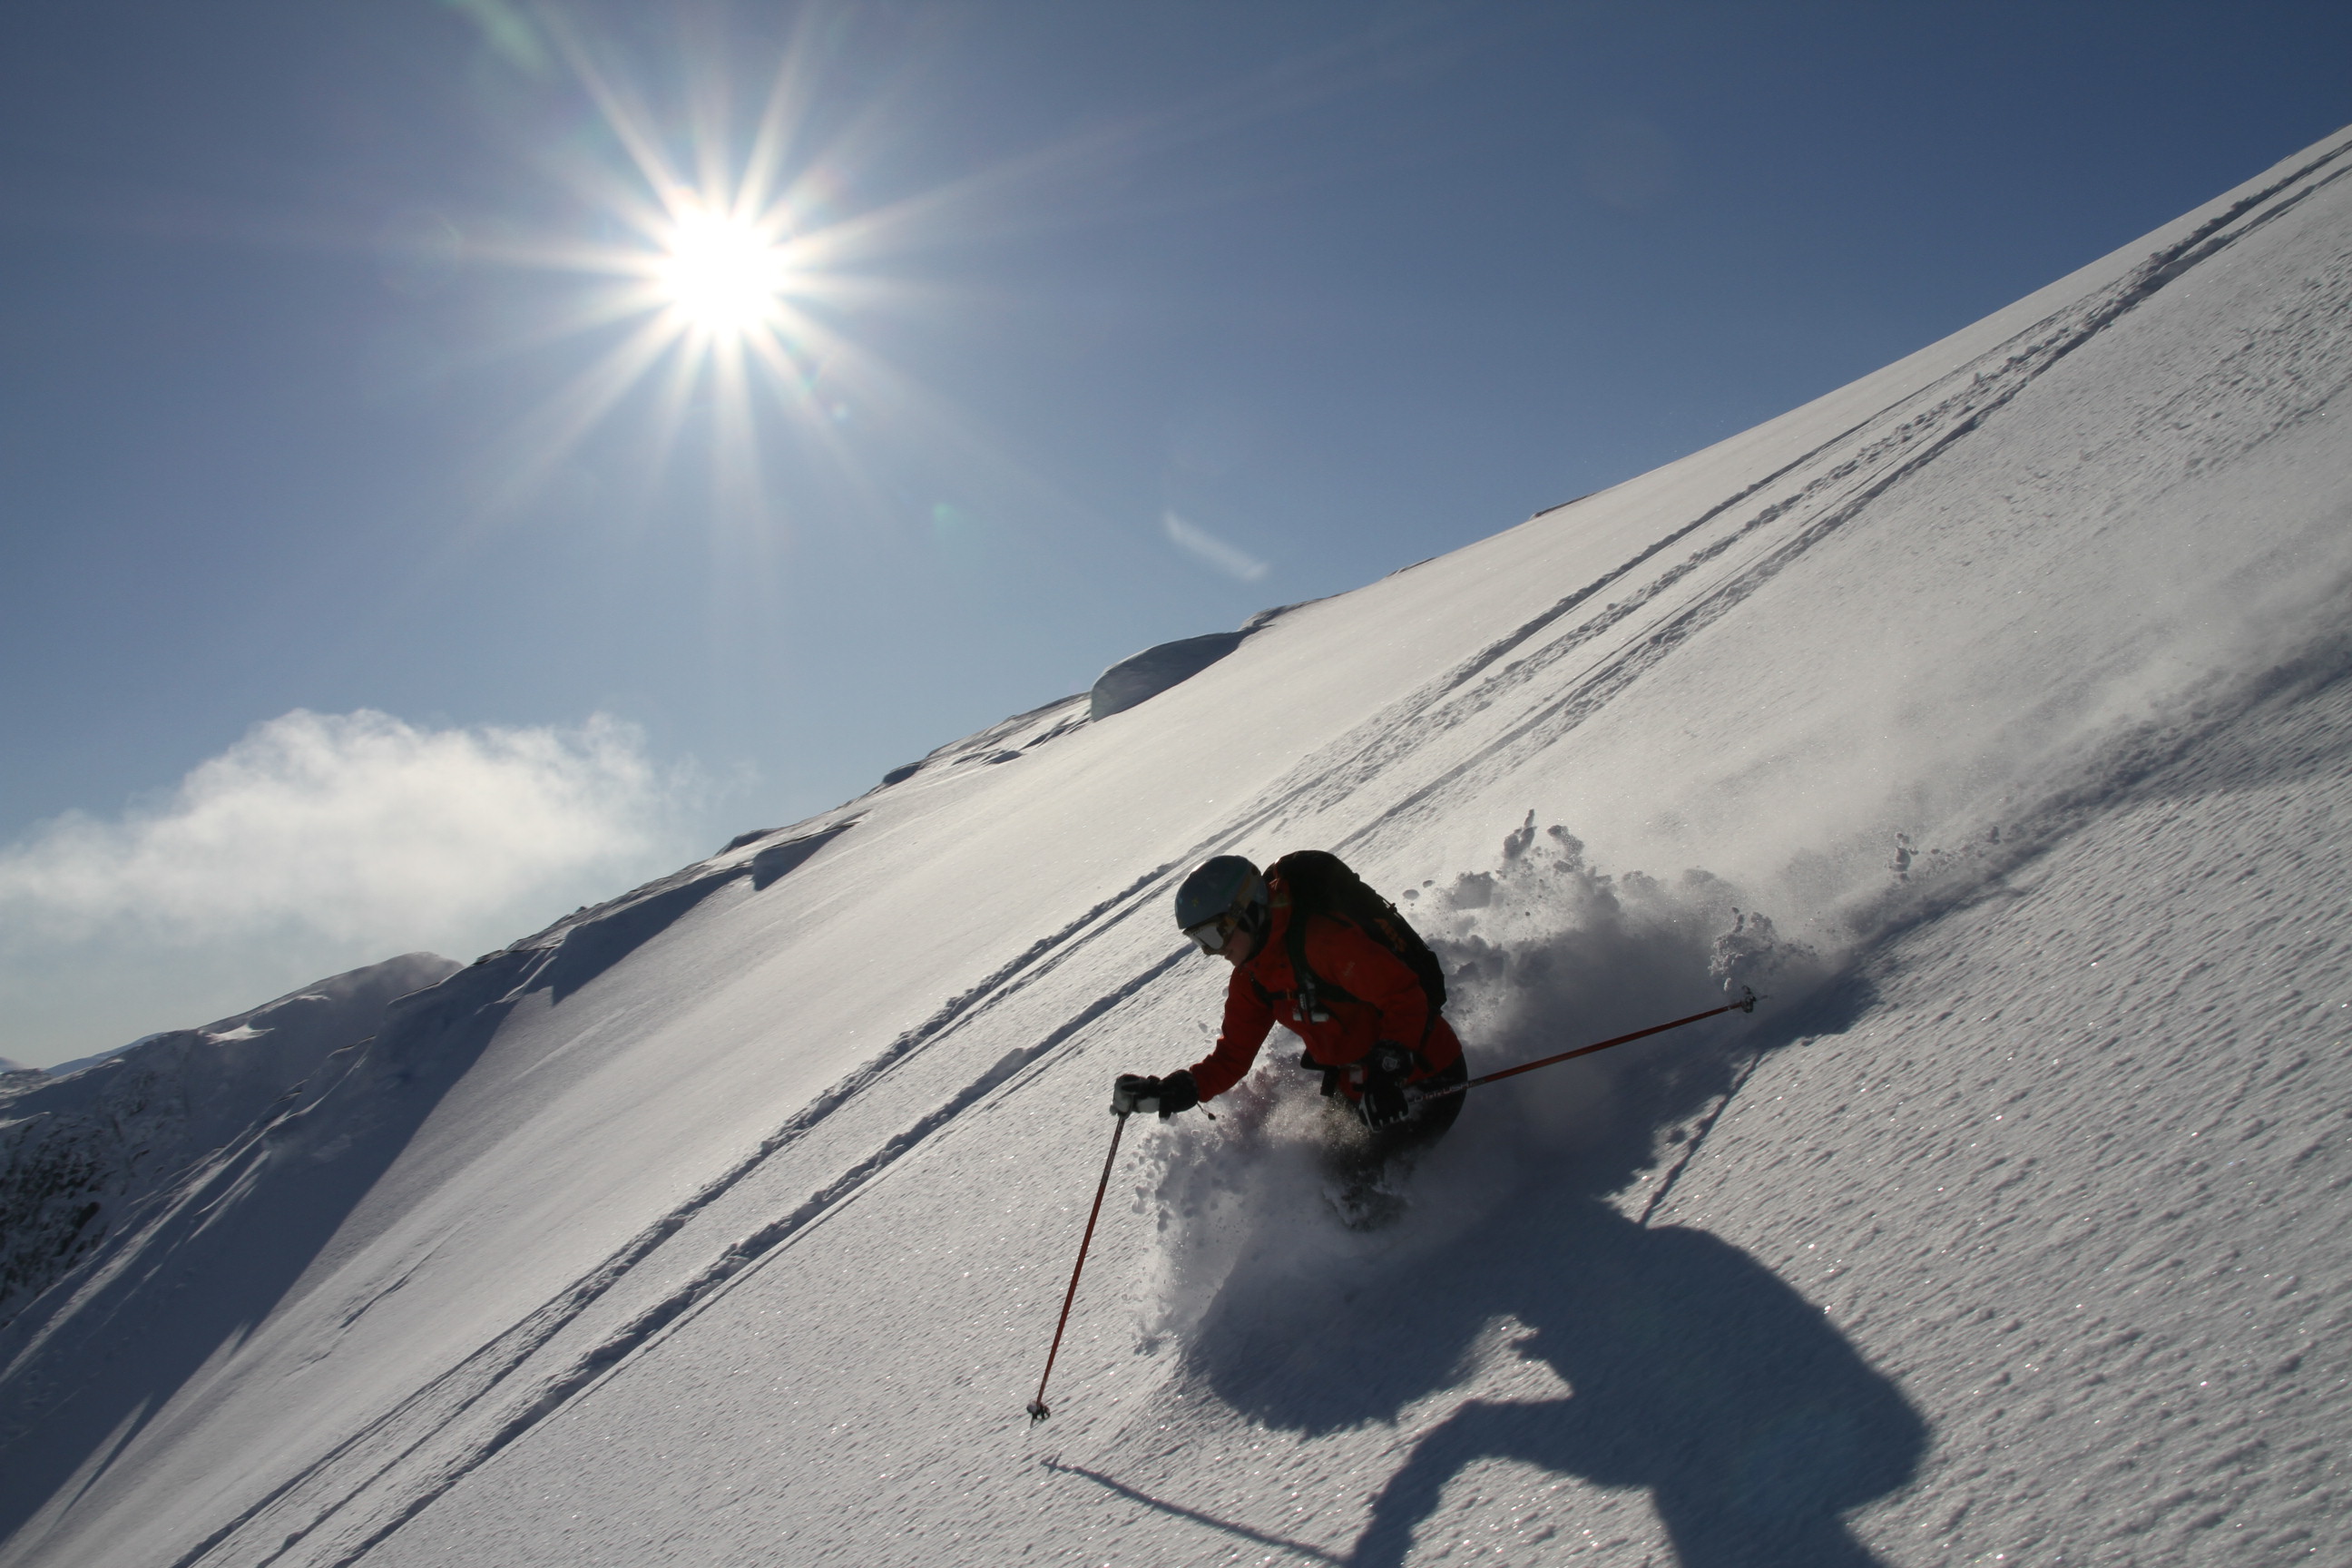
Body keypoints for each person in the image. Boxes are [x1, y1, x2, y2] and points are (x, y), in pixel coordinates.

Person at [1113, 854, 1467, 1167]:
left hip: (1425, 1077)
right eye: (1199, 942)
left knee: (1357, 1199)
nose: (1212, 952)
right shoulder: (1252, 979)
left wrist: (1389, 1072)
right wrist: (1177, 1089)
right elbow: (1232, 1057)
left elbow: (1405, 997)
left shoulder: (1324, 943)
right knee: (1324, 1177)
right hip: (1359, 1091)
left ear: (1247, 911)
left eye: (1214, 936)